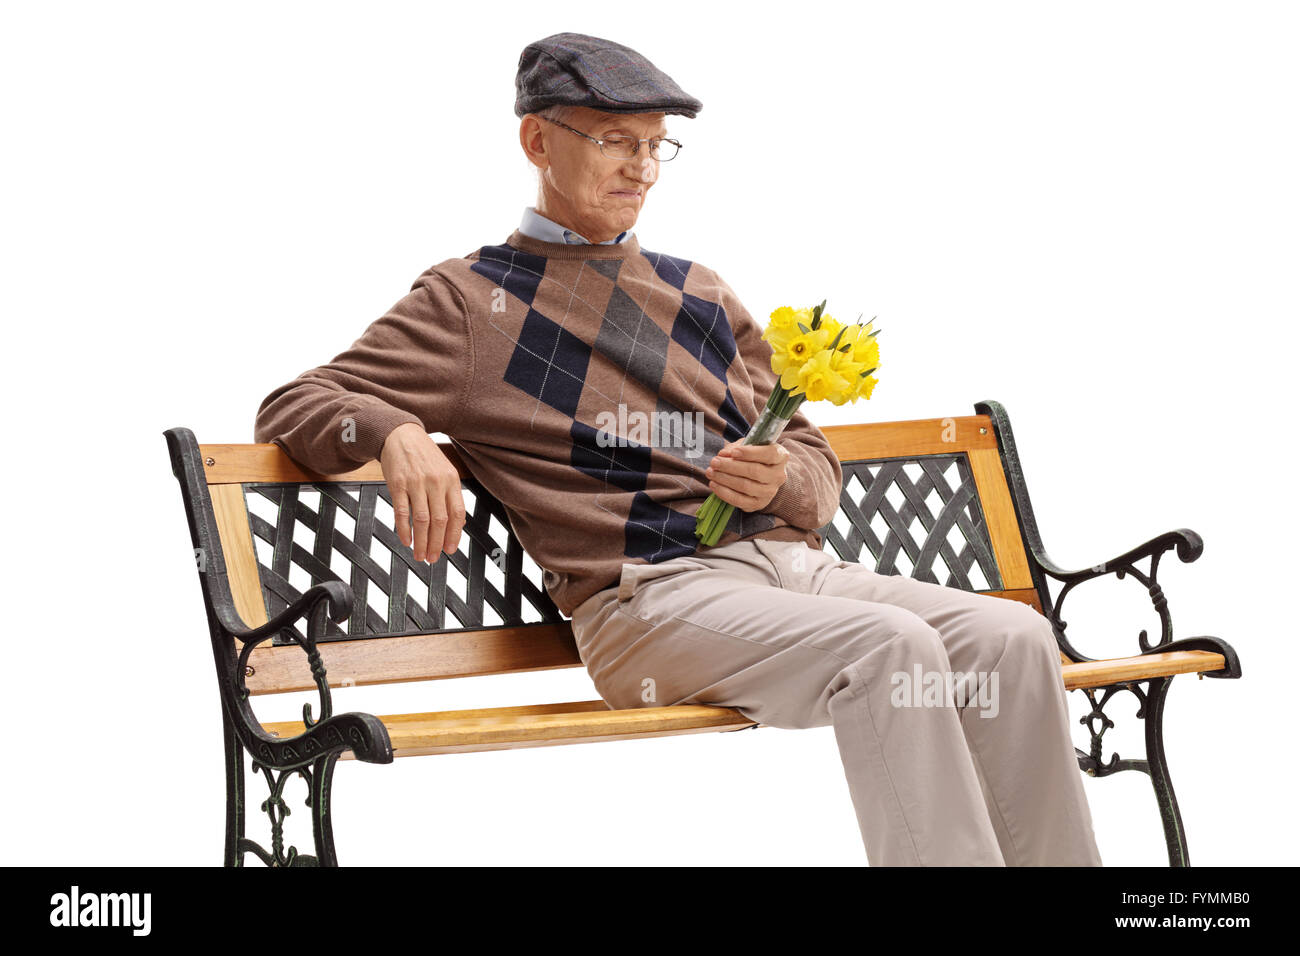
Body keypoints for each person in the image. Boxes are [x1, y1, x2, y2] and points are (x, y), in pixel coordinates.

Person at [254, 31, 1102, 866]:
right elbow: (296, 402)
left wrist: (783, 479)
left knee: (1013, 640)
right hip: (648, 605)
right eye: (617, 141)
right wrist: (397, 429)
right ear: (537, 140)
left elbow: (812, 461)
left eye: (658, 146)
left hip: (795, 577)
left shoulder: (698, 289)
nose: (641, 168)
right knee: (891, 648)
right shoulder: (470, 304)